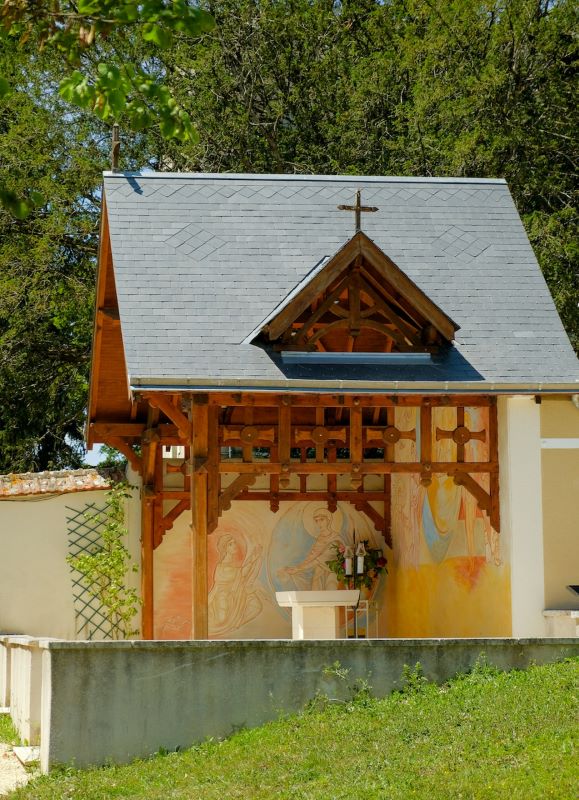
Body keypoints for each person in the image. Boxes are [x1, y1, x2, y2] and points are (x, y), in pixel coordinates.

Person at [208, 534, 262, 636]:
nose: (234, 545)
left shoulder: (231, 563)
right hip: (222, 595)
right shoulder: (221, 566)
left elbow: (240, 574)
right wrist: (253, 559)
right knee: (222, 619)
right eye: (230, 544)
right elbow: (241, 573)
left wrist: (253, 559)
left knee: (256, 606)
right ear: (225, 549)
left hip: (236, 593)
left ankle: (236, 624)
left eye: (234, 543)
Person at [279, 508, 341, 590]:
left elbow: (319, 559)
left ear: (329, 520)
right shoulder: (319, 539)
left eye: (322, 519)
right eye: (316, 520)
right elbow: (311, 557)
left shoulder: (335, 539)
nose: (319, 523)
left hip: (332, 573)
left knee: (331, 590)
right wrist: (297, 568)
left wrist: (298, 569)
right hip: (318, 574)